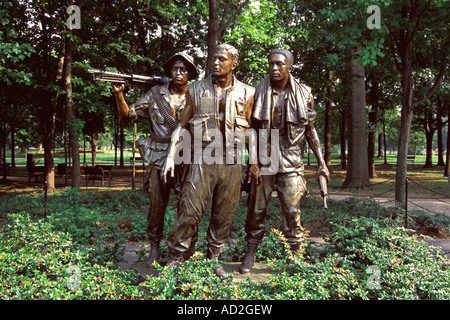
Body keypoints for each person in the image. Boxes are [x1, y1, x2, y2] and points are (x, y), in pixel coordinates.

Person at [163, 43, 260, 276]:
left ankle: (213, 259)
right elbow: (181, 127)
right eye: (213, 59)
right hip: (202, 159)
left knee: (224, 214)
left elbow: (251, 131)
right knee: (189, 209)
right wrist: (169, 156)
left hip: (233, 162)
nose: (215, 63)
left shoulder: (248, 92)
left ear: (233, 63)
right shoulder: (195, 89)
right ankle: (177, 255)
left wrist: (254, 162)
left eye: (221, 59)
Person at [238, 49, 330, 274]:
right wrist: (253, 162)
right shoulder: (257, 92)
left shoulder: (304, 93)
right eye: (271, 64)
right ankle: (250, 252)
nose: (274, 68)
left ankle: (295, 255)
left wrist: (321, 162)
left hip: (291, 159)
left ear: (289, 66)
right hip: (264, 158)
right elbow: (250, 130)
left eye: (279, 64)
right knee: (256, 210)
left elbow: (310, 130)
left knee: (291, 209)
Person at [112, 52, 199, 266]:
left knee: (188, 205)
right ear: (169, 72)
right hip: (159, 155)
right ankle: (154, 247)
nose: (179, 73)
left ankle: (186, 249)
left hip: (187, 156)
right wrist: (119, 95)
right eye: (175, 69)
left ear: (190, 74)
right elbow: (127, 116)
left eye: (184, 69)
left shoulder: (197, 96)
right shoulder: (155, 95)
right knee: (156, 205)